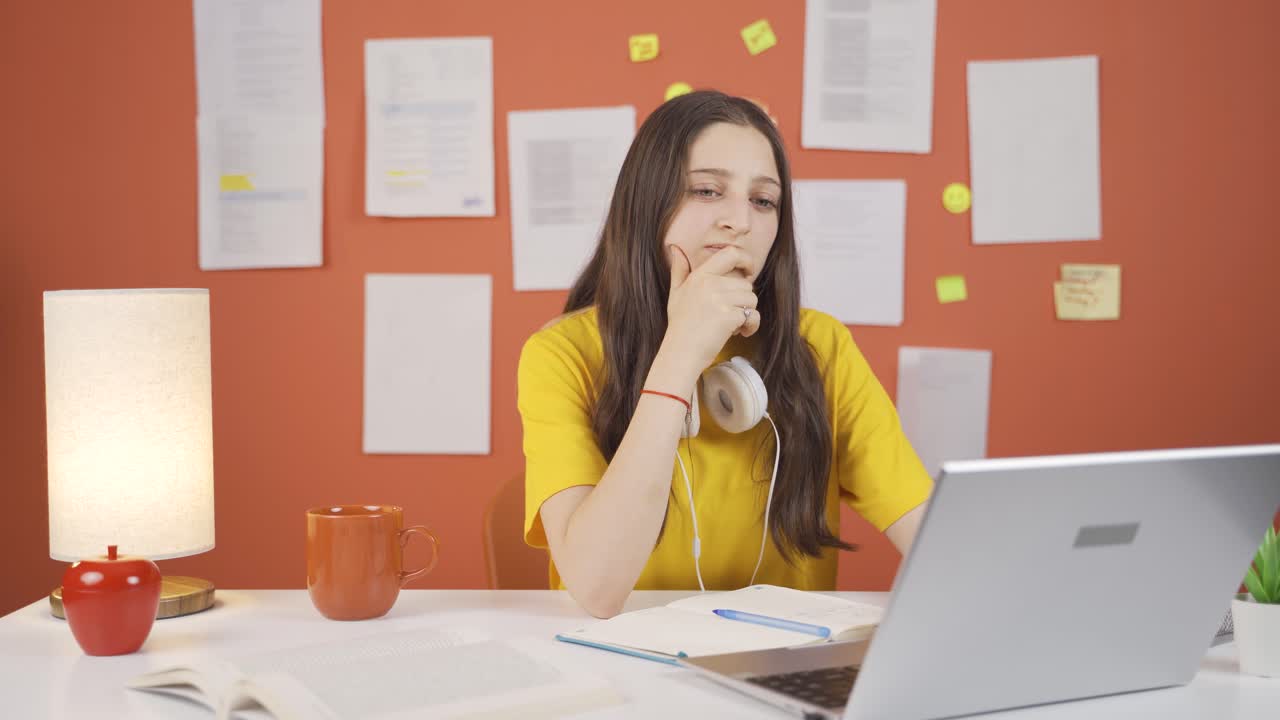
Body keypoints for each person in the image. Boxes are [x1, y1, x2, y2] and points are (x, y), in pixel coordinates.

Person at [517, 90, 932, 618]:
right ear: (647, 203)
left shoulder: (821, 348)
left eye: (763, 200)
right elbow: (597, 590)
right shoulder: (561, 354)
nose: (740, 220)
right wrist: (680, 354)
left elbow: (925, 527)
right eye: (708, 190)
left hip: (783, 660)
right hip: (621, 657)